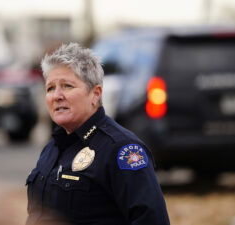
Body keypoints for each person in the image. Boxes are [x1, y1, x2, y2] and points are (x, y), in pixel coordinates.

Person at [25, 43, 170, 225]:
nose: (57, 95)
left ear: (95, 94)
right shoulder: (52, 148)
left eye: (67, 86)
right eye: (50, 88)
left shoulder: (121, 149)